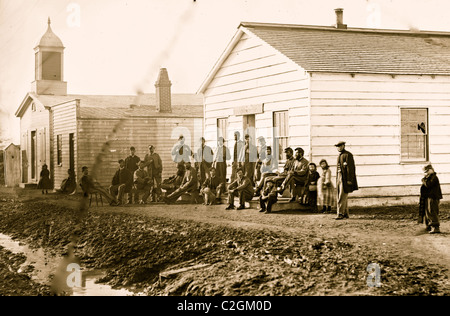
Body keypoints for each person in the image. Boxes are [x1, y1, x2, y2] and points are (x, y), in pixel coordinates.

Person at [335, 141, 358, 220]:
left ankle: (340, 213)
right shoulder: (340, 156)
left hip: (345, 178)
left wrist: (349, 179)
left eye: (340, 146)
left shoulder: (348, 155)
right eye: (337, 146)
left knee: (342, 196)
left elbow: (351, 169)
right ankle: (345, 213)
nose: (339, 148)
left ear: (343, 146)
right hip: (339, 176)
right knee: (340, 195)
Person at [421, 164, 442, 234]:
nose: (426, 173)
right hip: (429, 197)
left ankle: (436, 227)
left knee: (433, 211)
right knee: (428, 211)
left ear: (431, 170)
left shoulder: (434, 177)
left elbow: (428, 185)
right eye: (425, 172)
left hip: (433, 197)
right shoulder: (430, 177)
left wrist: (424, 180)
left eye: (427, 171)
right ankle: (430, 225)